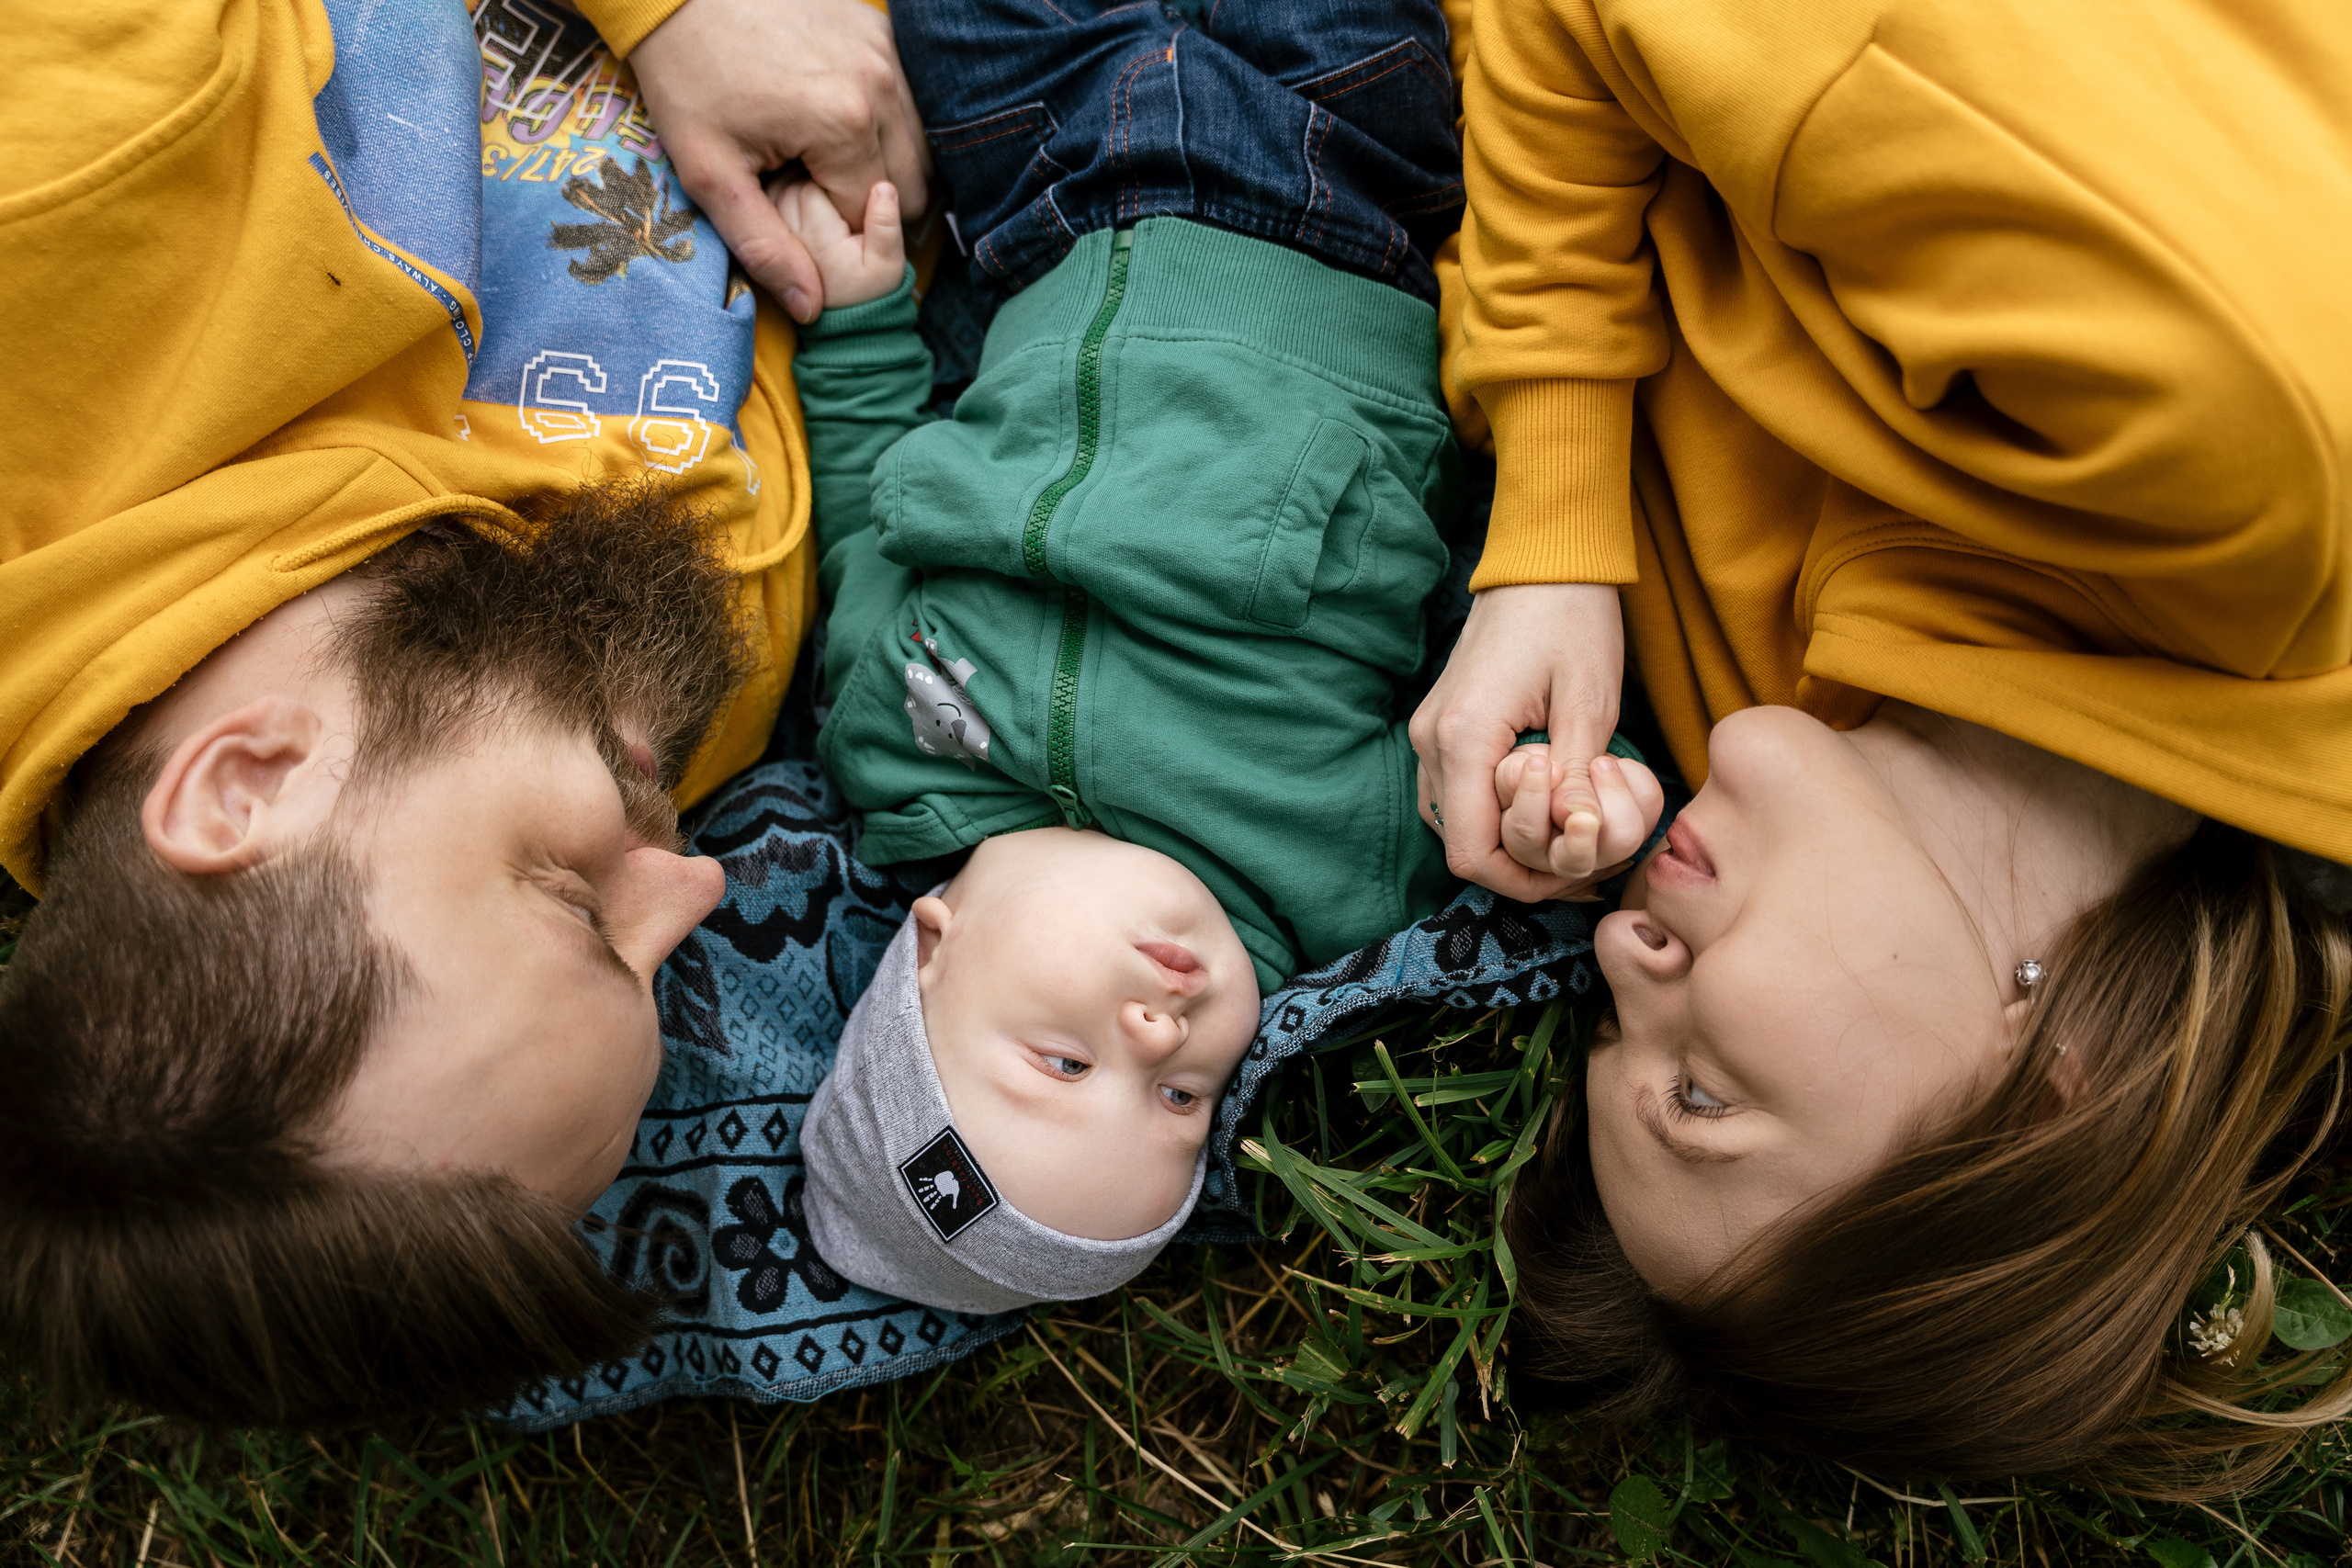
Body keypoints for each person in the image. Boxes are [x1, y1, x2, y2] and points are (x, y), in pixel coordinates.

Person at [1412, 0, 2352, 1494]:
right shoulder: (2210, 456)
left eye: (1616, 1035)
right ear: (2047, 1095)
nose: (1620, 959)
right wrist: (1556, 509)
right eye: (1703, 1098)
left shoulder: (1784, 732)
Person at [0, 0, 928, 1427]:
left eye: (570, 902)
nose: (695, 882)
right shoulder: (667, 691)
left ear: (246, 787)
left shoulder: (56, 236)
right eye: (654, 967)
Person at [758, 0, 1667, 1308]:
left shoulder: (885, 754)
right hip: (1334, 175)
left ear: (934, 945)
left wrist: (857, 326)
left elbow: (859, 523)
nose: (1155, 1034)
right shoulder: (1338, 873)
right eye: (1182, 1097)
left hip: (1035, 178)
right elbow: (1511, 729)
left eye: (1066, 1063)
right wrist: (1572, 798)